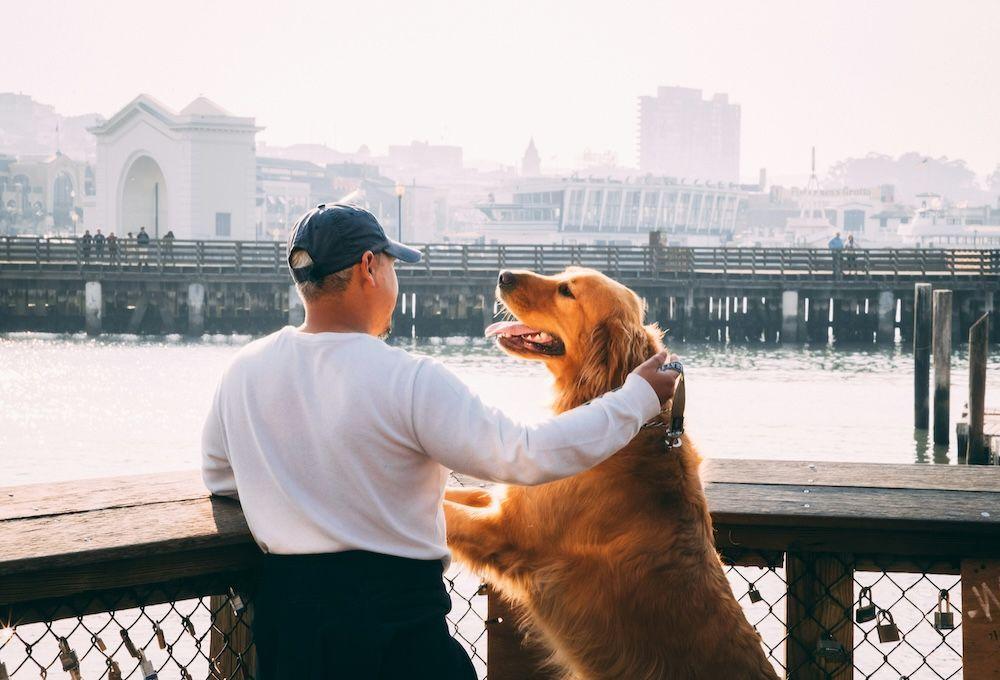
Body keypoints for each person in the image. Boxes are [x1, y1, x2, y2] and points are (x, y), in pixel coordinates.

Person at [201, 204, 682, 679]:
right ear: (370, 268)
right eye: (391, 265)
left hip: (290, 630)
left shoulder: (242, 371)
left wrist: (302, 494)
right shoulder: (408, 379)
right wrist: (636, 399)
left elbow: (220, 478)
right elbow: (524, 453)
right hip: (395, 626)